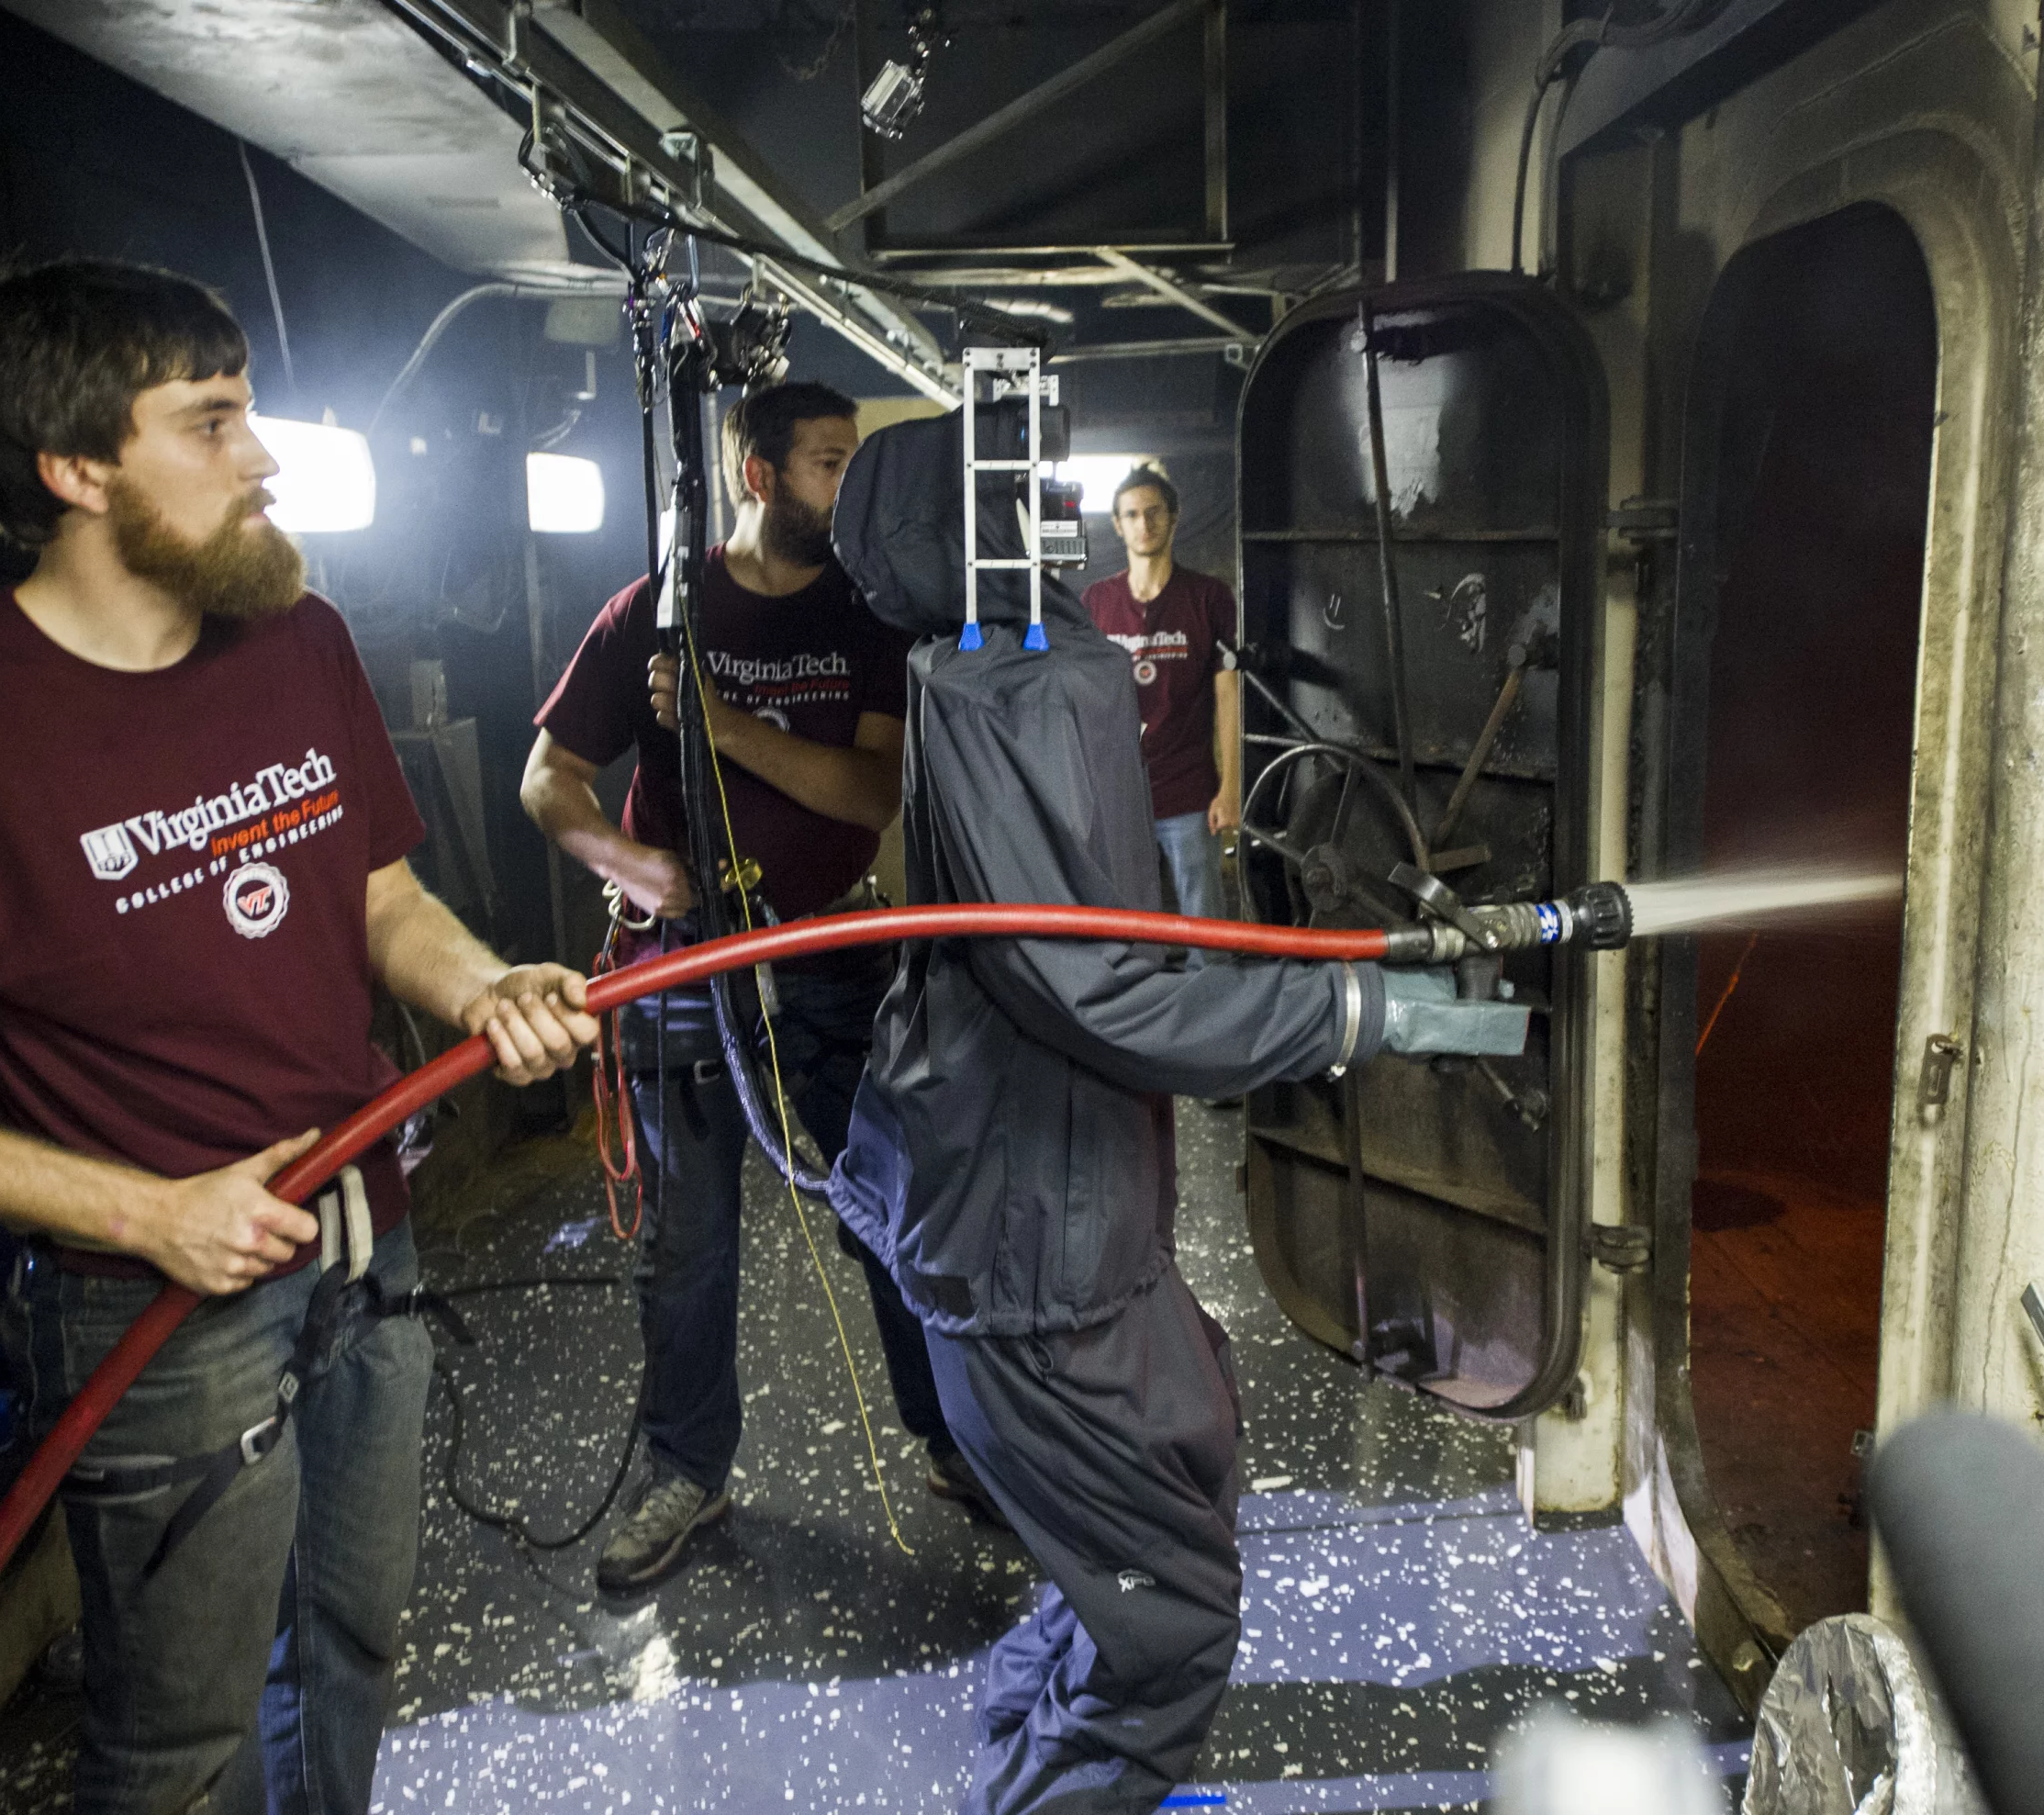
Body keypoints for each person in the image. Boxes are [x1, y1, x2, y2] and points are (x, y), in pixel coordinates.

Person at [0, 259, 598, 1814]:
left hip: (363, 1245)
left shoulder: (296, 640)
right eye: (211, 422)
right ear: (74, 470)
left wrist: (475, 983)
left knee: (350, 1641)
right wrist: (147, 1211)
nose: (261, 456)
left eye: (247, 410)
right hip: (157, 1310)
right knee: (179, 1742)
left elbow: (379, 895)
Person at [827, 409, 1525, 1814]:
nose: (1058, 504)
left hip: (1072, 1226)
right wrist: (1354, 1012)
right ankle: (1067, 1790)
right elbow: (1097, 989)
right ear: (967, 525)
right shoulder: (1003, 691)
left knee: (1171, 1504)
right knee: (1173, 1623)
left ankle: (1059, 1774)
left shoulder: (1033, 664)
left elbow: (1100, 961)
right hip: (1034, 1263)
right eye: (1021, 488)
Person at [521, 380, 992, 1597]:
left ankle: (949, 1438)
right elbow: (549, 780)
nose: (849, 487)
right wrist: (639, 869)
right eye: (830, 463)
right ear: (758, 473)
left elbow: (867, 795)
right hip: (684, 966)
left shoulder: (865, 613)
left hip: (833, 952)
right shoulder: (654, 615)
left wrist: (723, 728)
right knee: (688, 1242)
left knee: (886, 1209)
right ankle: (687, 1468)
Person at [1078, 465, 1240, 939]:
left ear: (1174, 518)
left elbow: (1228, 693)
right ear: (1117, 524)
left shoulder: (1209, 597)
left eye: (1153, 513)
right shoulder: (1095, 602)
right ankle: (1135, 1010)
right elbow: (1079, 699)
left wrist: (1230, 787)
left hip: (1190, 793)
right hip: (1118, 795)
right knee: (1124, 931)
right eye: (1131, 515)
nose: (1143, 525)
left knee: (1205, 934)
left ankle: (1209, 1006)